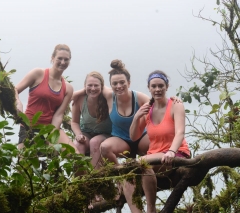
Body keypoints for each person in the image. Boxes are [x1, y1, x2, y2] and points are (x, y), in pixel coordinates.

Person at [126, 70, 191, 213]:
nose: (157, 89)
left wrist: (171, 151)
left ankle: (151, 209)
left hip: (176, 154)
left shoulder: (175, 105)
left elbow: (180, 132)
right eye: (153, 86)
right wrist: (136, 117)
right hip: (154, 156)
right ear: (149, 88)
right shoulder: (148, 109)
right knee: (128, 174)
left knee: (141, 163)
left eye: (161, 86)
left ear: (167, 87)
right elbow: (134, 136)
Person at [15, 44, 78, 153]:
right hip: (28, 126)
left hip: (50, 128)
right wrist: (18, 103)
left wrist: (51, 138)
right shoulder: (38, 74)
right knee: (24, 165)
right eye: (59, 58)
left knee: (76, 157)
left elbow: (58, 115)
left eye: (66, 59)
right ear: (52, 58)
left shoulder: (68, 88)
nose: (63, 62)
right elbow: (14, 90)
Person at [71, 71, 112, 169]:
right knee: (78, 144)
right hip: (86, 132)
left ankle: (94, 178)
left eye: (96, 85)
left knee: (95, 142)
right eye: (90, 85)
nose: (93, 88)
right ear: (84, 86)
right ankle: (79, 180)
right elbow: (74, 122)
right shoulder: (80, 99)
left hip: (106, 134)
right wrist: (78, 134)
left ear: (102, 86)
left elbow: (112, 92)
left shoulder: (107, 98)